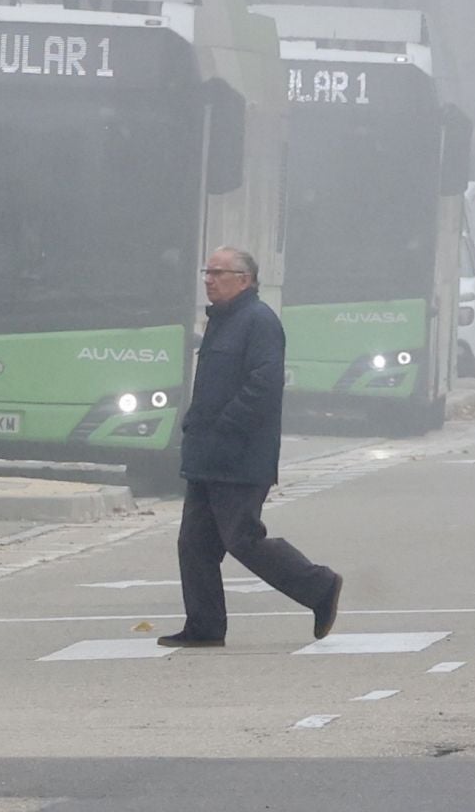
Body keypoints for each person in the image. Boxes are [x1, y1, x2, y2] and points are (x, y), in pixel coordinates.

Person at [161, 247, 343, 649]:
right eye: (206, 272)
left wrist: (226, 427)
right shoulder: (220, 321)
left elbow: (263, 385)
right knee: (194, 543)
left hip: (240, 455)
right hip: (207, 454)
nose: (208, 279)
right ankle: (205, 626)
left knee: (242, 538)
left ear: (244, 279)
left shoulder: (259, 321)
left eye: (218, 272)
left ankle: (319, 586)